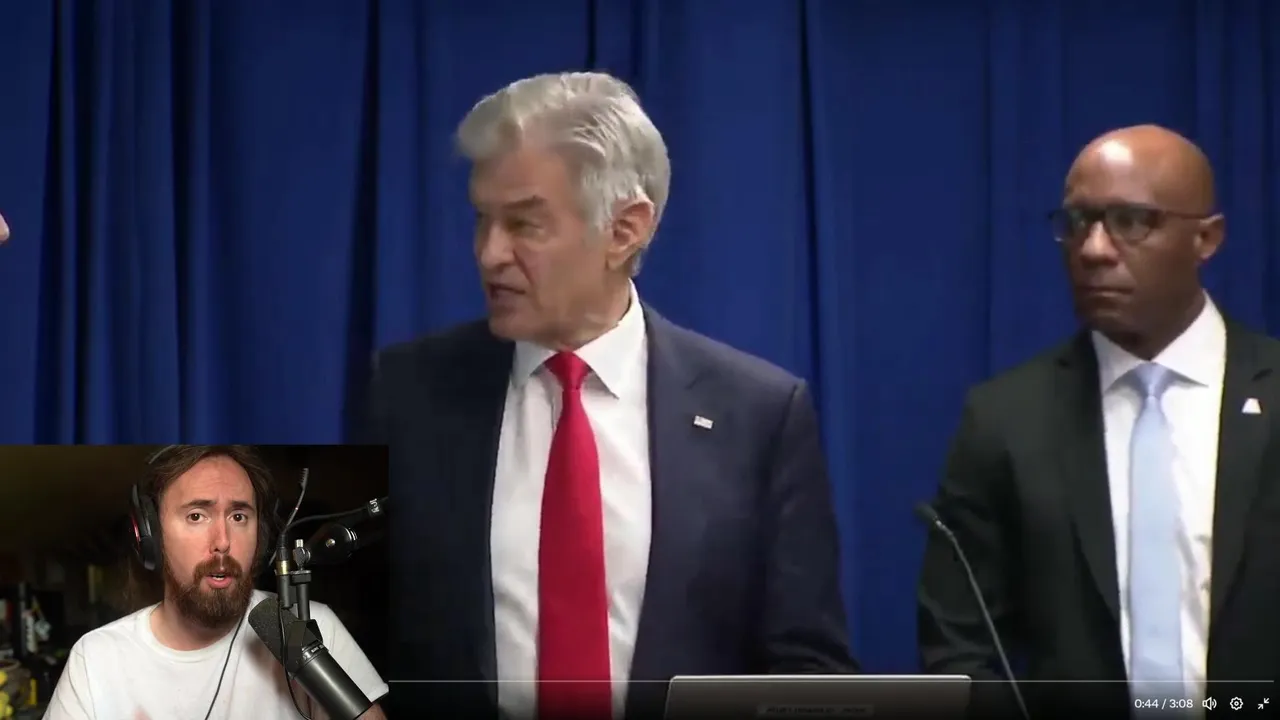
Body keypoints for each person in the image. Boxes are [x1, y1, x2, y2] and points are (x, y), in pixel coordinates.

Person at [362, 71, 856, 719]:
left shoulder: (758, 414)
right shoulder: (410, 392)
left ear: (625, 229)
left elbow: (807, 669)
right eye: (482, 219)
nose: (489, 253)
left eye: (524, 224)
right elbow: (359, 639)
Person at [917, 125, 1280, 717]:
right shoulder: (1006, 419)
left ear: (1206, 238)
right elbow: (960, 649)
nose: (1093, 250)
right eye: (1077, 222)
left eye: (1131, 221)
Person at [44, 445, 390, 720]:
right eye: (197, 516)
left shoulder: (313, 626)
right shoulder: (96, 658)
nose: (223, 541)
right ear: (150, 537)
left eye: (239, 516)